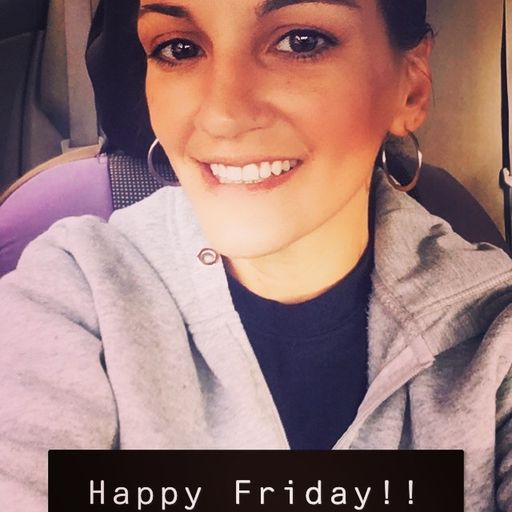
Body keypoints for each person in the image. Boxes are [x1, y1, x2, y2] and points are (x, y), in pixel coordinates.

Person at [1, 0, 512, 510]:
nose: (222, 116)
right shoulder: (74, 294)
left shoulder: (494, 332)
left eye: (301, 42)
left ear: (410, 86)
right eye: (179, 49)